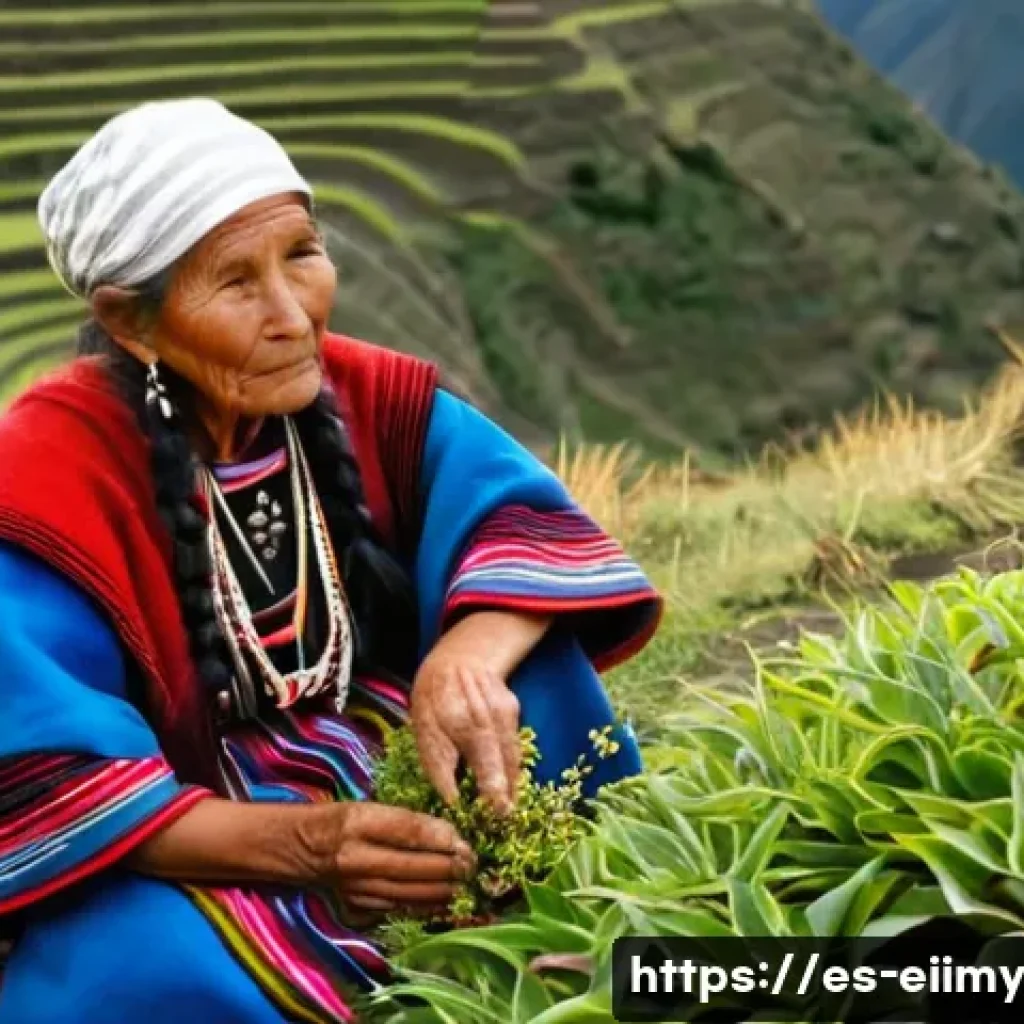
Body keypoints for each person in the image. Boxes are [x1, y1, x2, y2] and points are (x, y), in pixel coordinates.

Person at [0, 98, 661, 1023]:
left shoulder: (364, 393)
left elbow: (522, 528)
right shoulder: (39, 481)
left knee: (528, 671)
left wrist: (466, 657)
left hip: (385, 736)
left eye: (302, 256)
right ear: (130, 322)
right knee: (130, 962)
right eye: (236, 282)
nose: (293, 315)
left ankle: (600, 913)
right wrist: (316, 845)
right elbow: (58, 776)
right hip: (189, 823)